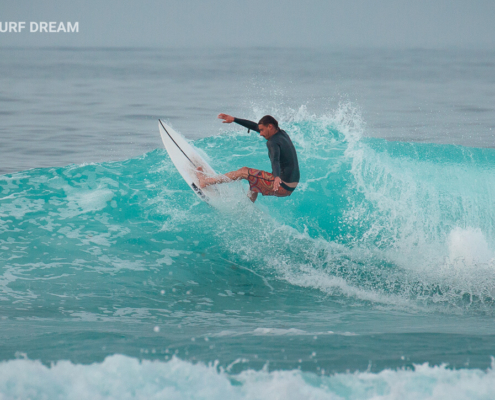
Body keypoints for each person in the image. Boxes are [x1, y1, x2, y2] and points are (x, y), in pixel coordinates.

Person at [196, 113, 300, 202]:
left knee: (244, 171)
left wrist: (277, 177)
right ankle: (246, 209)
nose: (261, 134)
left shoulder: (272, 142)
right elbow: (255, 126)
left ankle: (206, 181)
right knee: (254, 179)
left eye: (262, 130)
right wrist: (234, 119)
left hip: (281, 185)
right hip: (290, 185)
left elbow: (275, 160)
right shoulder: (282, 134)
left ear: (270, 126)